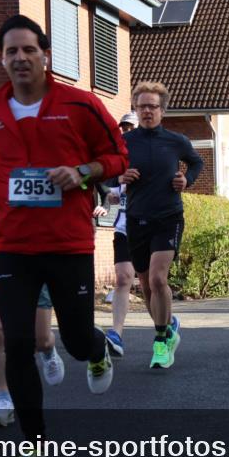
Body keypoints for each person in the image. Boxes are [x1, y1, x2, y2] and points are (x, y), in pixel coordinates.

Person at [0, 15, 126, 457]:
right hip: (13, 248)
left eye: (29, 49)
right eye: (12, 51)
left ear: (45, 56)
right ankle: (37, 447)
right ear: (1, 59)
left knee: (73, 337)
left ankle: (97, 350)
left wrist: (83, 172)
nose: (21, 58)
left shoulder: (81, 106)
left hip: (68, 245)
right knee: (17, 342)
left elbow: (117, 157)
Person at [119, 82, 203, 370]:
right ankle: (167, 327)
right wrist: (120, 177)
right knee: (144, 284)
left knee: (157, 278)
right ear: (135, 109)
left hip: (168, 217)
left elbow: (196, 163)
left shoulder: (176, 140)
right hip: (136, 217)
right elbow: (105, 173)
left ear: (162, 110)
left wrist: (186, 180)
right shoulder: (126, 143)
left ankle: (161, 339)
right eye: (141, 106)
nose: (146, 111)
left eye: (152, 106)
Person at [0, 196, 64, 427]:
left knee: (41, 339)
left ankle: (48, 350)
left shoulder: (34, 168)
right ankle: (4, 400)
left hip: (33, 256)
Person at [103, 113, 138, 359]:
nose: (126, 132)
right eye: (123, 128)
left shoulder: (151, 154)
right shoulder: (118, 159)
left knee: (153, 283)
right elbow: (109, 191)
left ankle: (166, 326)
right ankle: (116, 334)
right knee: (124, 278)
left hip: (150, 227)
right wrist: (109, 196)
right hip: (124, 225)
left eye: (130, 128)